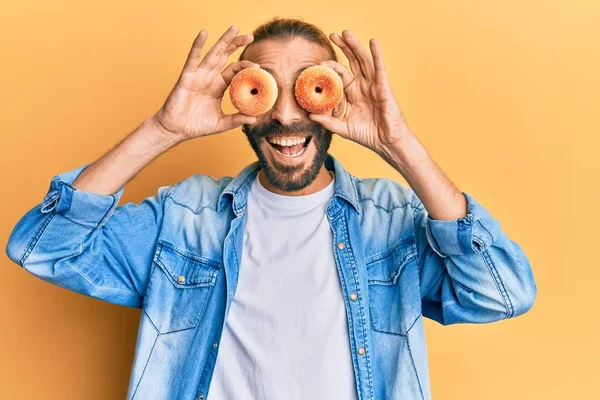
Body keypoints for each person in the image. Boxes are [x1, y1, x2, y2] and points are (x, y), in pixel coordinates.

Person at [5, 17, 537, 400]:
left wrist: (398, 144)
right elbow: (42, 246)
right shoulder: (186, 219)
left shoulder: (392, 221)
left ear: (332, 98)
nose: (285, 115)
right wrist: (162, 130)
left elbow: (503, 292)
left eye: (306, 89)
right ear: (242, 98)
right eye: (265, 87)